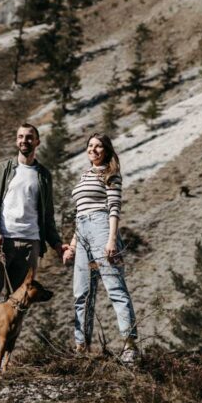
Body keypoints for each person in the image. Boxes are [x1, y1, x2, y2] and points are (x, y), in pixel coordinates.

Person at [0, 122, 64, 375]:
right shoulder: (4, 169)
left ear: (37, 142)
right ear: (16, 141)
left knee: (18, 304)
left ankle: (2, 361)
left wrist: (56, 244)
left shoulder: (43, 175)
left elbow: (47, 215)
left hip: (30, 244)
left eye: (29, 137)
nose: (24, 141)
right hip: (2, 240)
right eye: (20, 137)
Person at [63, 132, 139, 364]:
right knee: (82, 293)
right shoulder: (85, 175)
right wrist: (73, 246)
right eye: (90, 146)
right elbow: (80, 215)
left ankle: (130, 345)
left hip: (102, 229)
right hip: (83, 232)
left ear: (106, 151)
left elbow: (114, 207)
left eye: (98, 147)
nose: (93, 150)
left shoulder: (111, 174)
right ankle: (81, 347)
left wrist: (111, 240)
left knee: (115, 288)